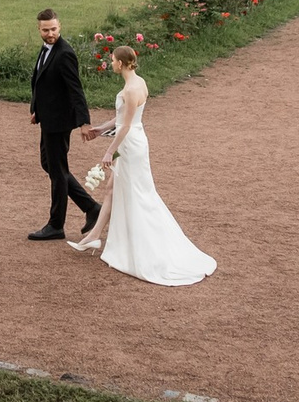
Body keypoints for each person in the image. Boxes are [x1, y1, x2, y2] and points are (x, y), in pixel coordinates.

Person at [70, 45, 215, 285]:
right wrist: (100, 129)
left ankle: (145, 245)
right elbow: (125, 118)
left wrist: (109, 151)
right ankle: (94, 236)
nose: (111, 63)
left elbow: (126, 125)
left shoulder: (129, 90)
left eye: (113, 60)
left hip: (129, 144)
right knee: (111, 189)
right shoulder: (140, 83)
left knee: (138, 194)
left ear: (121, 63)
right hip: (135, 141)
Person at [25, 7, 99, 241]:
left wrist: (84, 122)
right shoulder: (47, 49)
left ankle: (56, 225)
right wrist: (37, 110)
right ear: (39, 29)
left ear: (60, 27)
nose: (50, 34)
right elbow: (41, 81)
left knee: (57, 172)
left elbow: (75, 89)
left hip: (59, 122)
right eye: (45, 30)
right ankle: (91, 207)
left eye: (54, 29)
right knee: (49, 164)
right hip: (48, 118)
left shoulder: (65, 53)